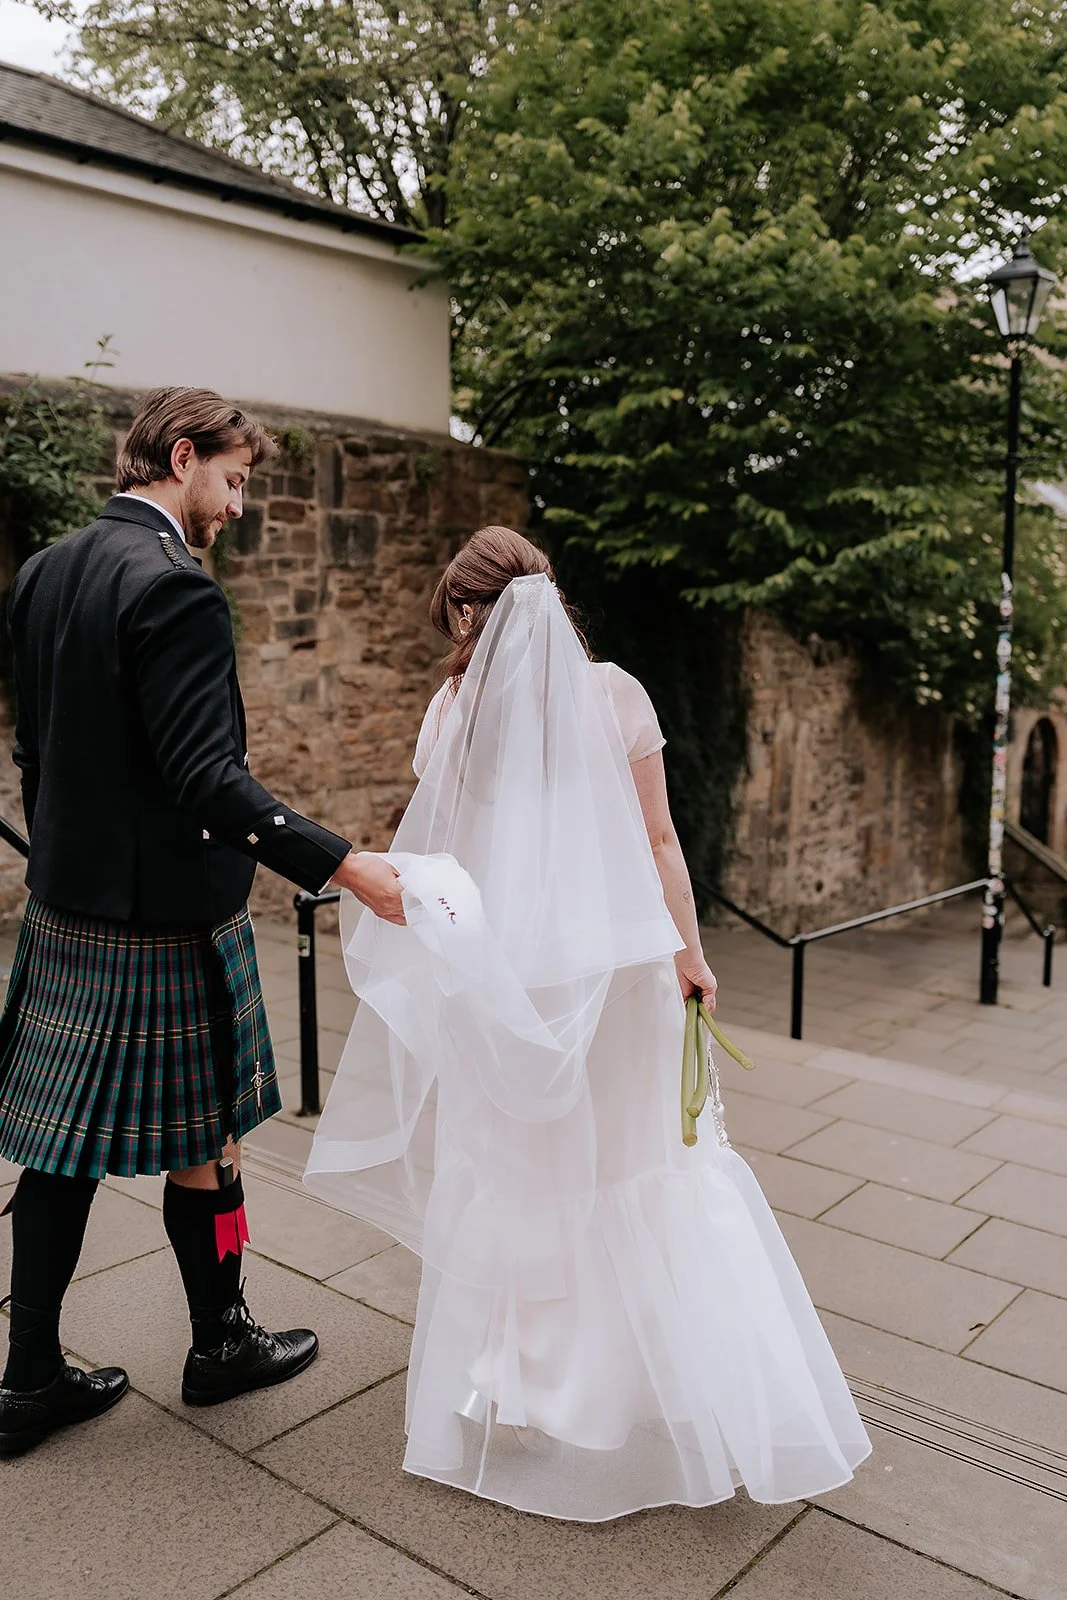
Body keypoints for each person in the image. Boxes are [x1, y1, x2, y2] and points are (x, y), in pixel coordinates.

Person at [305, 526, 870, 1521]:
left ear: (469, 614)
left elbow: (442, 848)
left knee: (525, 1173)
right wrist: (690, 958)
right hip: (617, 972)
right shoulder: (613, 693)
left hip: (512, 981)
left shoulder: (452, 709)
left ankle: (525, 1386)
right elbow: (657, 839)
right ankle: (663, 1388)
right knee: (640, 1169)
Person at [0, 387, 403, 1459]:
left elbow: (35, 749)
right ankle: (219, 1339)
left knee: (57, 1149)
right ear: (182, 457)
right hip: (169, 920)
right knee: (210, 1138)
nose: (233, 508)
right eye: (230, 481)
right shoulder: (174, 585)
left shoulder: (47, 569)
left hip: (69, 908)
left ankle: (26, 1377)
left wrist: (66, 861)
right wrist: (344, 864)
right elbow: (205, 778)